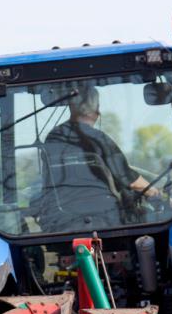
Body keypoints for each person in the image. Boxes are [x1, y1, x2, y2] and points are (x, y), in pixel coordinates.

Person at [41, 84, 162, 229]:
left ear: (71, 107)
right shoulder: (98, 139)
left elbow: (48, 177)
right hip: (106, 218)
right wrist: (155, 193)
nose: (98, 112)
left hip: (62, 221)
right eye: (97, 107)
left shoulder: (53, 138)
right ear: (94, 111)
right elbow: (128, 179)